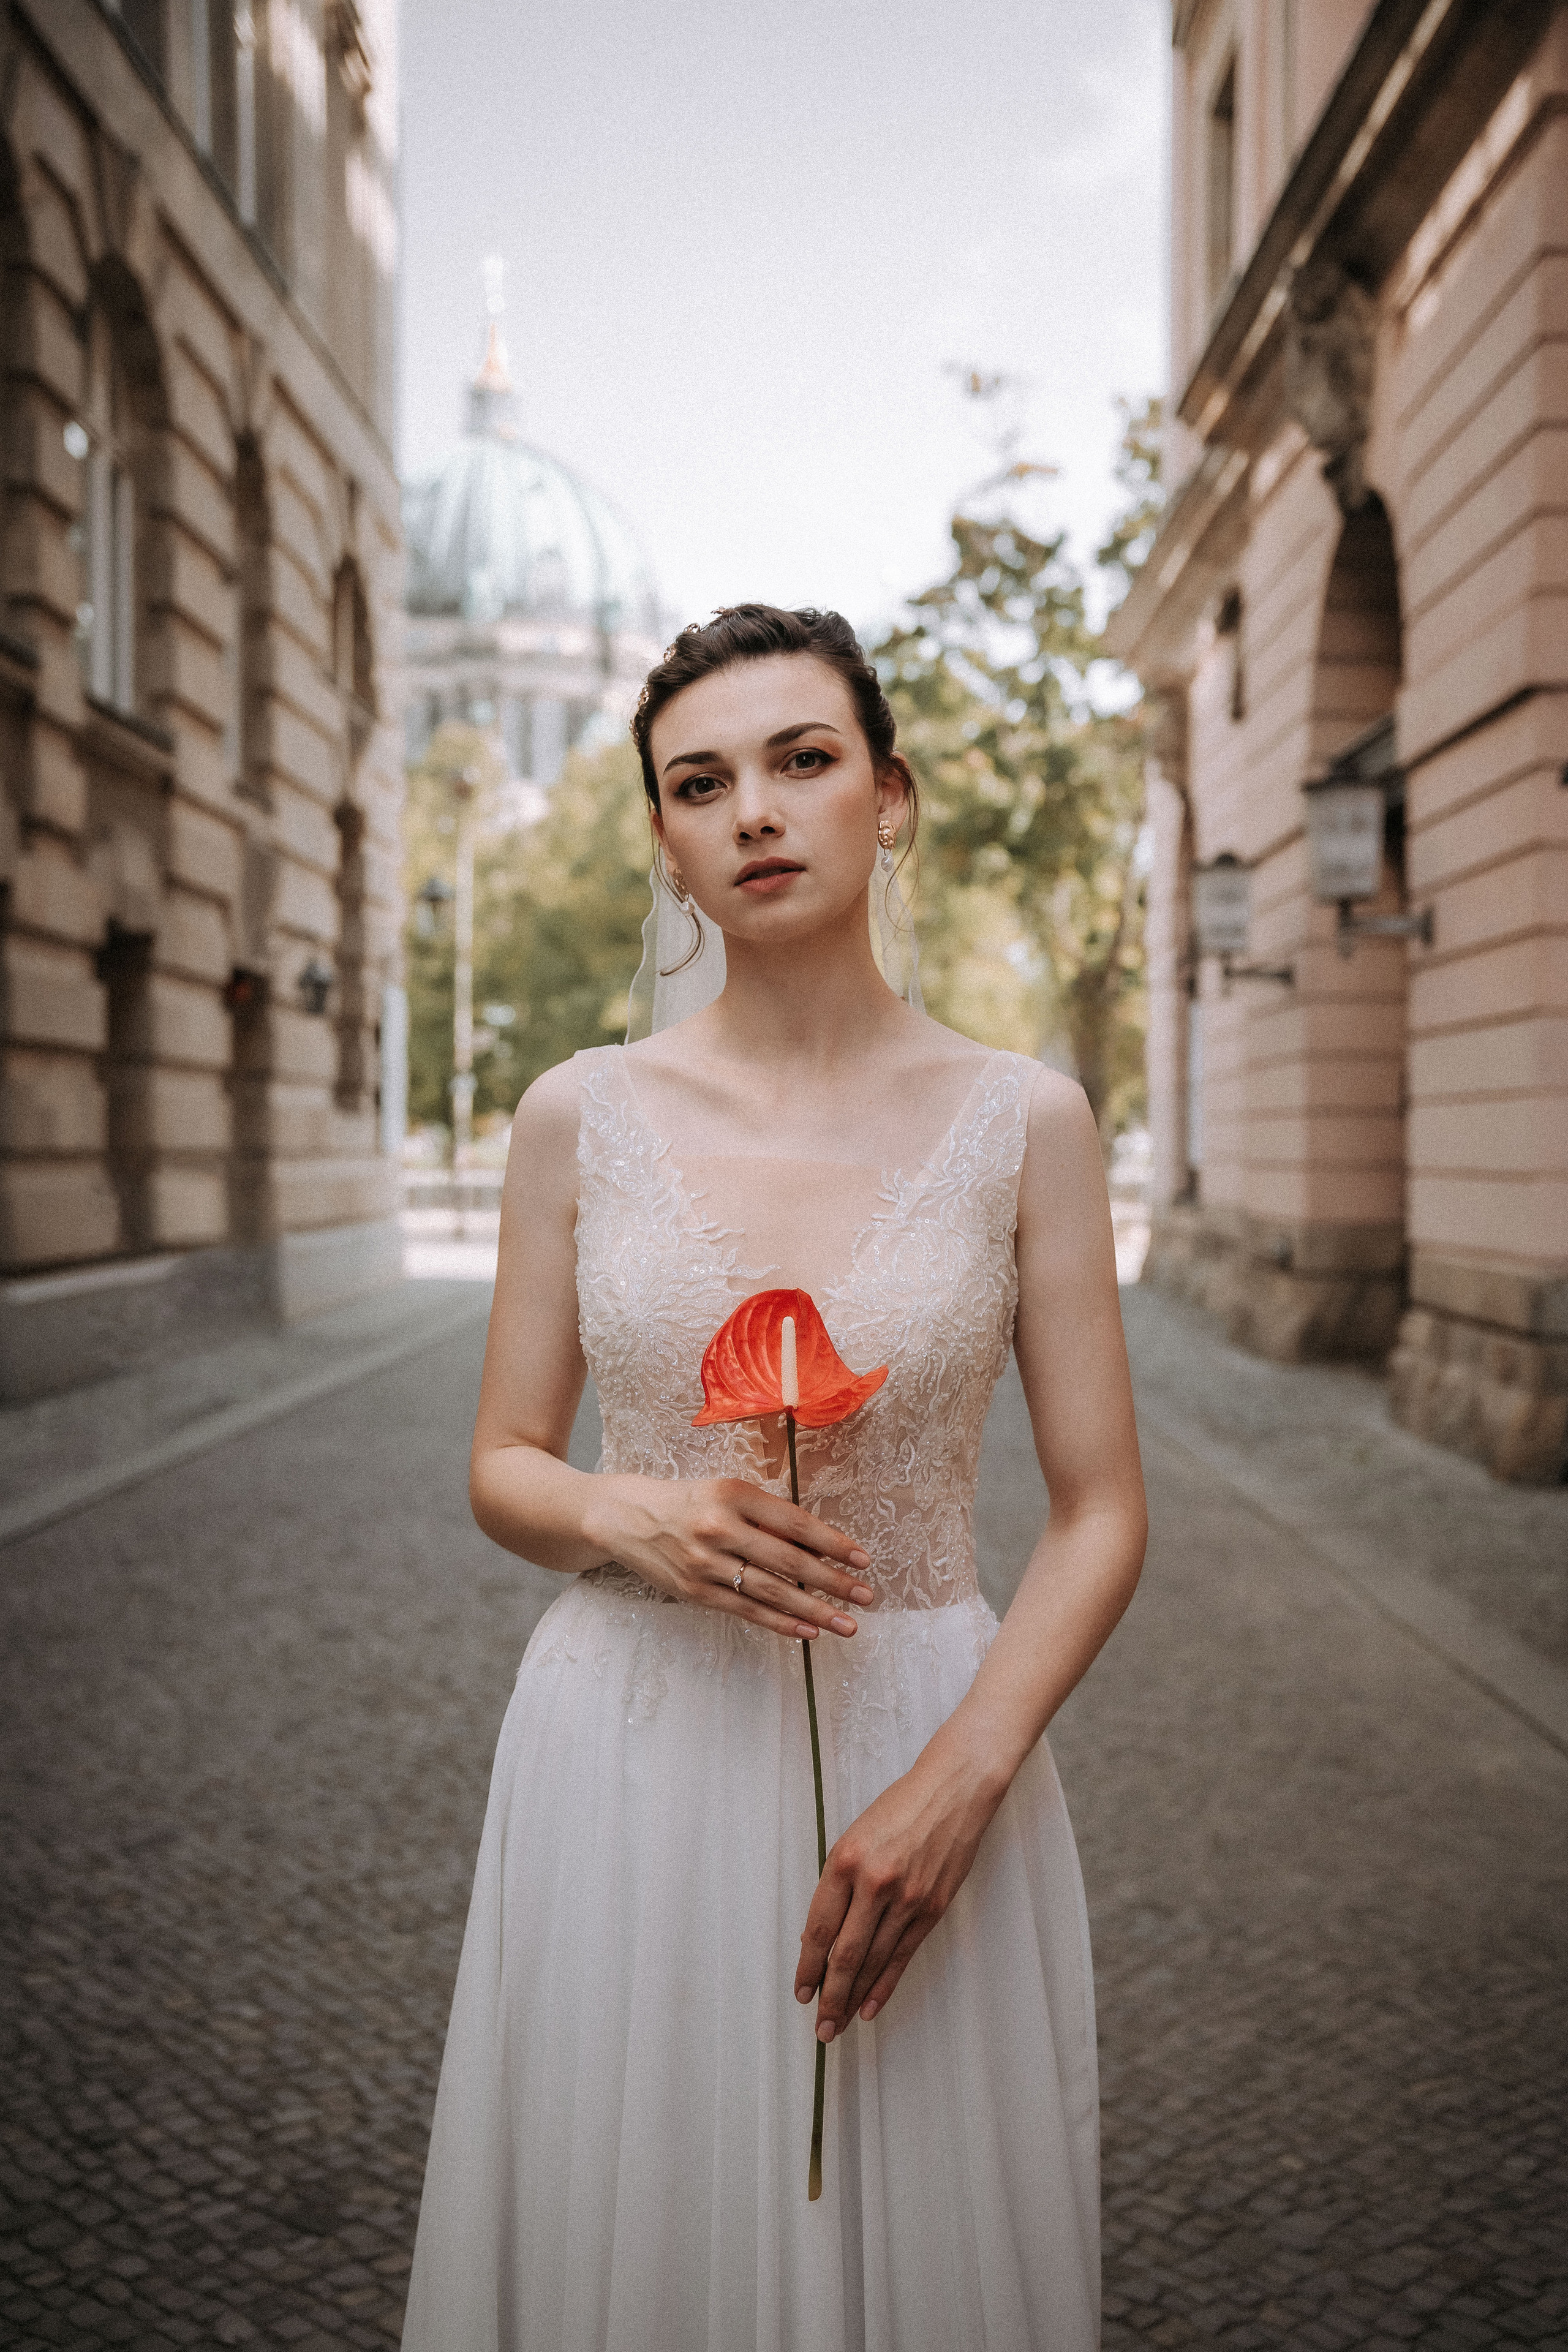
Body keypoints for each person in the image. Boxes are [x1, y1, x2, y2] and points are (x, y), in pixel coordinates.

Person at [401, 605, 1147, 2352]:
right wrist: (621, 1510)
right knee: (634, 2233)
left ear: (887, 798)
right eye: (700, 782)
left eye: (802, 762)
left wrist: (963, 1780)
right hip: (627, 1757)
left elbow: (1104, 1506)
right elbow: (504, 1464)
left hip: (921, 1747)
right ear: (664, 841)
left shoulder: (1025, 1120)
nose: (754, 810)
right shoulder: (574, 1117)